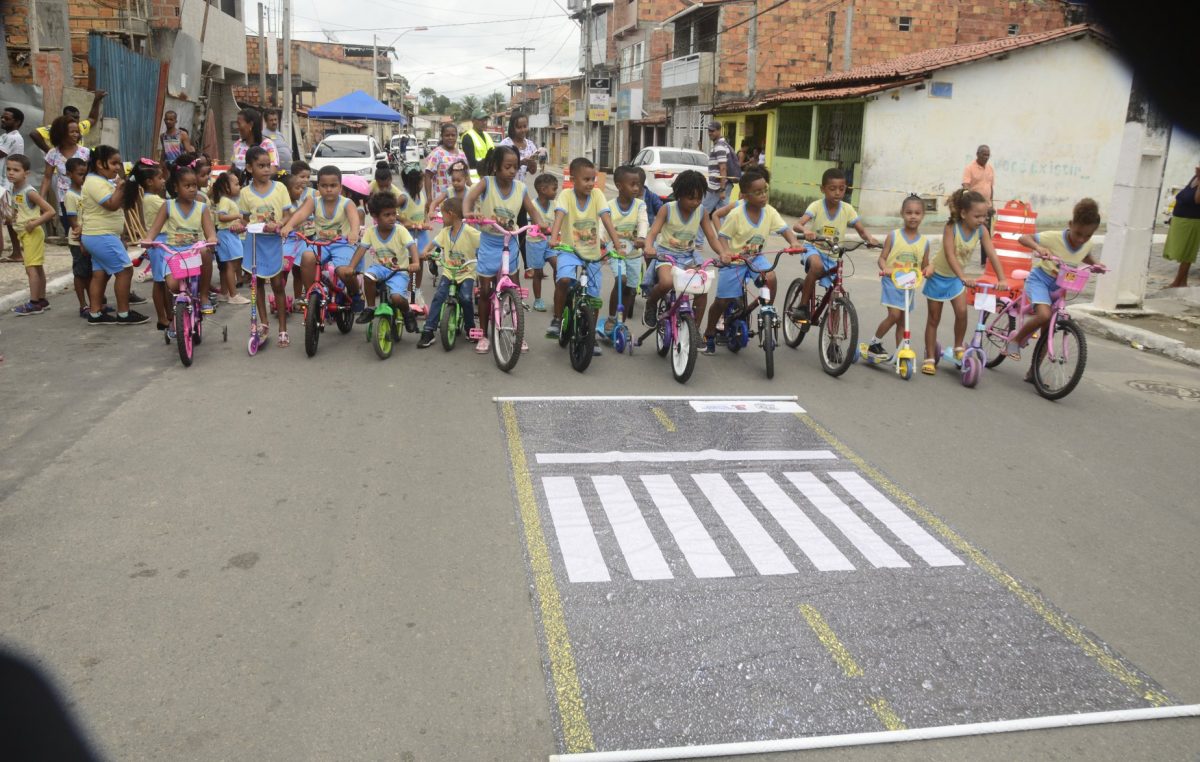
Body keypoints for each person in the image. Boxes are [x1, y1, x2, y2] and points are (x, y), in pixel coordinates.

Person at [703, 167, 798, 354]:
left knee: (770, 276)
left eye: (765, 191)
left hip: (756, 258)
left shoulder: (770, 212)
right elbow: (723, 236)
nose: (763, 195)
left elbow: (785, 229)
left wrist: (794, 242)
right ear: (745, 196)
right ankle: (710, 333)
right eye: (758, 192)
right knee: (722, 301)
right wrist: (726, 251)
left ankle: (767, 307)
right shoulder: (736, 214)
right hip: (735, 261)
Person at [463, 145, 548, 354]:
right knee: (485, 291)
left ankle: (518, 333)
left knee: (515, 291)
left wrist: (541, 225)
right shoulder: (486, 183)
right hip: (489, 242)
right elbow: (469, 198)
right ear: (496, 167)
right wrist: (469, 212)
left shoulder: (521, 188)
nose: (512, 171)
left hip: (510, 242)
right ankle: (483, 334)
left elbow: (532, 210)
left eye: (515, 167)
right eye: (507, 166)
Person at [921, 188, 1008, 375]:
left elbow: (992, 253)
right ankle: (929, 356)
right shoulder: (951, 227)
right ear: (963, 213)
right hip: (938, 276)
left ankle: (959, 347)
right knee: (934, 318)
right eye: (977, 216)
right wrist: (963, 277)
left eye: (984, 216)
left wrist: (1002, 278)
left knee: (962, 312)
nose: (981, 220)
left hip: (956, 279)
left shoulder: (981, 231)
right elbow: (950, 255)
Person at [1009, 199, 1104, 359]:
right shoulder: (1053, 237)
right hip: (1040, 280)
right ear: (1071, 224)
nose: (1081, 239)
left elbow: (1084, 255)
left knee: (1048, 330)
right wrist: (1039, 248)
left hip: (1061, 287)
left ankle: (1034, 373)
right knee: (1044, 316)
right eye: (1078, 234)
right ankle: (1015, 341)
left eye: (1087, 235)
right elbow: (1024, 238)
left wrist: (1096, 264)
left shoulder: (1087, 244)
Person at [547, 157, 622, 350]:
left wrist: (617, 244)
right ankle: (556, 319)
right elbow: (559, 217)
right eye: (586, 180)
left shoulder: (597, 195)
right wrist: (554, 238)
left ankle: (591, 337)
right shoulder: (565, 195)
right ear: (573, 179)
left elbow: (606, 219)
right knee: (563, 280)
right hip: (569, 250)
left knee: (593, 297)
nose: (590, 184)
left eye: (592, 179)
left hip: (592, 253)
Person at [791, 167, 881, 324]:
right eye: (832, 189)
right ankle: (803, 306)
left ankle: (833, 338)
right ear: (823, 189)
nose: (837, 193)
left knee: (836, 293)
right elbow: (797, 225)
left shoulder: (848, 209)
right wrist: (806, 231)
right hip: (814, 249)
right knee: (817, 267)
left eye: (841, 188)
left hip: (834, 253)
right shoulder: (816, 206)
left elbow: (861, 230)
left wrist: (869, 238)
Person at [142, 163, 218, 337]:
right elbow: (154, 230)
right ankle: (173, 317)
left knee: (206, 252)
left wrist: (212, 239)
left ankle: (204, 296)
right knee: (173, 286)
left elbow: (210, 232)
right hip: (173, 252)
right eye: (187, 186)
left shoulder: (201, 208)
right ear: (176, 188)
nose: (192, 189)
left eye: (194, 186)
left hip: (194, 251)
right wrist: (148, 240)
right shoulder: (168, 206)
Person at [642, 169, 723, 330]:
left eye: (699, 198)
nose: (695, 202)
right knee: (666, 283)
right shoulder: (668, 209)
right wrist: (649, 246)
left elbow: (712, 238)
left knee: (702, 288)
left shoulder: (702, 212)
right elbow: (653, 232)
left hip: (689, 256)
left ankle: (694, 330)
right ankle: (651, 303)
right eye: (691, 198)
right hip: (666, 255)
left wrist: (723, 253)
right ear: (679, 194)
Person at [280, 165, 363, 319]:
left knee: (344, 271)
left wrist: (353, 232)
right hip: (320, 244)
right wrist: (289, 225)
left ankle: (355, 293)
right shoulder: (314, 201)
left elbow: (354, 219)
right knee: (307, 257)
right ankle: (313, 293)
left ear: (340, 187)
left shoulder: (347, 203)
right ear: (318, 187)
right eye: (324, 186)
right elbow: (301, 214)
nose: (329, 189)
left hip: (343, 244)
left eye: (333, 185)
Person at [80, 145, 150, 325]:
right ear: (99, 164)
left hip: (100, 235)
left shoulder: (101, 181)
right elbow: (111, 204)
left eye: (119, 163)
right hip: (100, 235)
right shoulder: (95, 182)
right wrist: (120, 187)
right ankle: (124, 313)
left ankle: (95, 313)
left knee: (100, 273)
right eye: (113, 163)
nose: (118, 167)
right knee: (125, 270)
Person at [237, 146, 292, 345]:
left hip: (274, 242)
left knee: (278, 284)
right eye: (261, 166)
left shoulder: (280, 188)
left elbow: (288, 215)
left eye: (268, 165)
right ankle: (264, 323)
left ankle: (283, 330)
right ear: (250, 168)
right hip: (254, 243)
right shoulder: (245, 192)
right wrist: (238, 226)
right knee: (257, 283)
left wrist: (279, 224)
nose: (266, 169)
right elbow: (244, 220)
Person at [865, 195, 931, 360]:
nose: (913, 216)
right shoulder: (894, 236)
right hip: (892, 282)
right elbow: (882, 258)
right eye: (909, 212)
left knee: (903, 321)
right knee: (894, 315)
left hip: (909, 285)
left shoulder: (924, 242)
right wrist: (885, 268)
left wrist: (928, 270)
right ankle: (874, 342)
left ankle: (900, 352)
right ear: (902, 213)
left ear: (923, 215)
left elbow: (924, 265)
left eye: (917, 213)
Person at [352, 190, 419, 333]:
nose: (392, 218)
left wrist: (415, 263)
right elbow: (361, 250)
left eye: (394, 214)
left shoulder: (400, 230)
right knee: (368, 277)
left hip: (399, 271)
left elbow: (412, 247)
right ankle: (370, 308)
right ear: (375, 216)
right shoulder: (370, 232)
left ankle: (408, 313)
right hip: (380, 268)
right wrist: (351, 267)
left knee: (396, 298)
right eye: (387, 215)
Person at [417, 196, 479, 348]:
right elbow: (433, 243)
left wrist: (483, 258)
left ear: (451, 214)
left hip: (466, 273)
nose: (442, 218)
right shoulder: (445, 232)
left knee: (465, 298)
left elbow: (483, 244)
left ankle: (470, 327)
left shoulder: (470, 232)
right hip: (449, 272)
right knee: (439, 296)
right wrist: (425, 251)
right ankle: (429, 330)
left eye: (443, 214)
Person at [599, 165, 648, 337]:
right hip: (615, 251)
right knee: (622, 280)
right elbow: (602, 225)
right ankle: (612, 319)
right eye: (632, 184)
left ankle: (622, 323)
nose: (636, 188)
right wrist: (601, 243)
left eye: (638, 184)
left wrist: (642, 238)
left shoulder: (640, 205)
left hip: (634, 254)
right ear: (619, 186)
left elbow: (643, 222)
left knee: (630, 290)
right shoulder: (609, 205)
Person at [123, 159, 171, 328]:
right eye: (160, 178)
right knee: (160, 281)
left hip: (164, 242)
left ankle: (169, 315)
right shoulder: (153, 200)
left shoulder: (154, 198)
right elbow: (172, 209)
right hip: (159, 243)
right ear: (150, 182)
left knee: (166, 281)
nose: (163, 180)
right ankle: (162, 317)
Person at [6, 154, 56, 315]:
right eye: (8, 169)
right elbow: (17, 209)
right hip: (24, 234)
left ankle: (34, 303)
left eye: (16, 170)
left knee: (31, 269)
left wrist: (34, 223)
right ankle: (41, 299)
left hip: (32, 234)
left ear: (26, 173)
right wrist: (11, 217)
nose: (11, 173)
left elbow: (50, 211)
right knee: (37, 267)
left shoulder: (30, 192)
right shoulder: (14, 189)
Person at [40, 117, 90, 241]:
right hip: (64, 198)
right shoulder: (53, 153)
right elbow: (47, 177)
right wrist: (41, 200)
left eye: (77, 131)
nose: (75, 134)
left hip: (84, 196)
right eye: (72, 132)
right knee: (71, 231)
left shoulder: (85, 152)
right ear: (61, 133)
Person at [62, 157, 97, 316]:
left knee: (89, 273)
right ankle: (83, 305)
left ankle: (94, 303)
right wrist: (81, 241)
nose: (83, 177)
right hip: (77, 241)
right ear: (69, 174)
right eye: (80, 174)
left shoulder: (85, 192)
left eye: (85, 173)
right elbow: (73, 221)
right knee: (80, 273)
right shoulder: (70, 195)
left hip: (89, 236)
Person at [209, 171, 249, 304]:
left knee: (230, 265)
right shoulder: (225, 201)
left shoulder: (228, 200)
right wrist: (237, 216)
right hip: (226, 235)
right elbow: (221, 216)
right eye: (236, 184)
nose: (239, 187)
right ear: (226, 187)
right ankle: (233, 295)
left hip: (230, 234)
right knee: (231, 266)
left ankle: (225, 292)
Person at [524, 173, 558, 313]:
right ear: (543, 190)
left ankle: (559, 296)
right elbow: (530, 225)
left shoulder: (555, 205)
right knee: (538, 273)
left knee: (558, 266)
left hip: (550, 242)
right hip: (535, 243)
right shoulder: (532, 205)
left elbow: (559, 221)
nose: (556, 192)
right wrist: (541, 228)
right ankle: (538, 299)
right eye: (554, 189)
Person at [397, 165, 430, 305]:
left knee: (420, 264)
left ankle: (416, 292)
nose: (422, 185)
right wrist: (404, 220)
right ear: (411, 183)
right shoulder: (403, 197)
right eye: (420, 182)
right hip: (407, 236)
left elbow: (424, 211)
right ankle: (406, 292)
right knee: (409, 265)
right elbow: (389, 209)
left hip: (421, 236)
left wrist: (425, 221)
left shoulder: (421, 194)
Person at [30, 91, 106, 153]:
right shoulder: (57, 128)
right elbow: (34, 134)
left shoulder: (80, 127)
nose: (75, 120)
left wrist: (96, 100)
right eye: (72, 117)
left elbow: (92, 119)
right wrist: (48, 150)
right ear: (64, 117)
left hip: (77, 166)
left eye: (77, 117)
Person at [699, 120, 734, 248]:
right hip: (722, 186)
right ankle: (724, 243)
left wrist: (722, 189)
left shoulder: (719, 146)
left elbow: (723, 168)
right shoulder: (722, 145)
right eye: (709, 131)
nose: (710, 133)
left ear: (719, 131)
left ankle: (698, 242)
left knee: (702, 212)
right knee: (722, 215)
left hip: (717, 187)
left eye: (713, 131)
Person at [1163, 165, 1200, 288]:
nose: (1196, 168)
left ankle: (1177, 282)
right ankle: (1182, 282)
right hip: (1180, 219)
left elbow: (1197, 200)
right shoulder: (1194, 177)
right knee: (1181, 252)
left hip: (1192, 221)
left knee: (1186, 253)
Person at [1, 107, 26, 261]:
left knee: (9, 220)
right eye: (2, 117)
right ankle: (17, 253)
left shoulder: (13, 138)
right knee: (9, 221)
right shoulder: (6, 136)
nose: (3, 120)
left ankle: (16, 252)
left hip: (6, 184)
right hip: (4, 183)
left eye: (7, 118)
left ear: (17, 122)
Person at [962, 144, 995, 263]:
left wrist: (991, 205)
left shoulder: (990, 168)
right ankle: (961, 256)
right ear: (977, 154)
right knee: (969, 232)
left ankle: (985, 262)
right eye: (984, 154)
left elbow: (991, 188)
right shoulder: (969, 168)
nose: (986, 157)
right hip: (974, 208)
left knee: (986, 234)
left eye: (988, 155)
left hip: (987, 208)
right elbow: (965, 186)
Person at [424, 123, 468, 206]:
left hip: (460, 202)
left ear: (456, 136)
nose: (450, 138)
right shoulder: (437, 153)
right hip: (441, 202)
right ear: (442, 136)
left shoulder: (462, 154)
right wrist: (429, 198)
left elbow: (467, 177)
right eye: (447, 135)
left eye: (453, 135)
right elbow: (427, 176)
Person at [231, 108, 278, 173]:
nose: (237, 127)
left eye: (239, 124)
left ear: (251, 124)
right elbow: (232, 168)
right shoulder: (237, 145)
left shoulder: (268, 144)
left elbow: (273, 170)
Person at [499, 111, 540, 184]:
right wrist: (520, 163)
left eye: (525, 126)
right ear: (512, 128)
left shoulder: (530, 145)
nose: (523, 130)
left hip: (520, 188)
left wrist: (532, 163)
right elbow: (499, 168)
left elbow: (533, 172)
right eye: (519, 127)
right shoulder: (505, 145)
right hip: (504, 187)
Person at [461, 109, 495, 175]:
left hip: (488, 177)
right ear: (473, 121)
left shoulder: (487, 135)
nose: (484, 122)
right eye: (481, 120)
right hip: (475, 179)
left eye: (485, 120)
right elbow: (470, 162)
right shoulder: (467, 137)